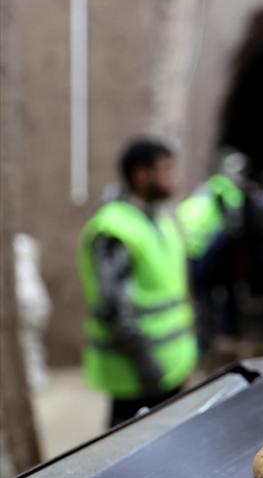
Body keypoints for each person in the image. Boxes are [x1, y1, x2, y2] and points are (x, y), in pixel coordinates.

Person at [78, 138, 197, 426]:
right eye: (166, 170)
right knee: (128, 456)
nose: (174, 178)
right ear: (140, 175)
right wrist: (146, 364)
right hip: (137, 375)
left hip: (170, 368)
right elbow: (114, 308)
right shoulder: (114, 228)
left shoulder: (159, 219)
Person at [177, 149, 248, 352]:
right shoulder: (228, 192)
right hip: (210, 249)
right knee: (220, 296)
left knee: (203, 300)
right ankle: (223, 336)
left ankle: (205, 342)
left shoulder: (207, 188)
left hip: (193, 251)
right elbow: (234, 226)